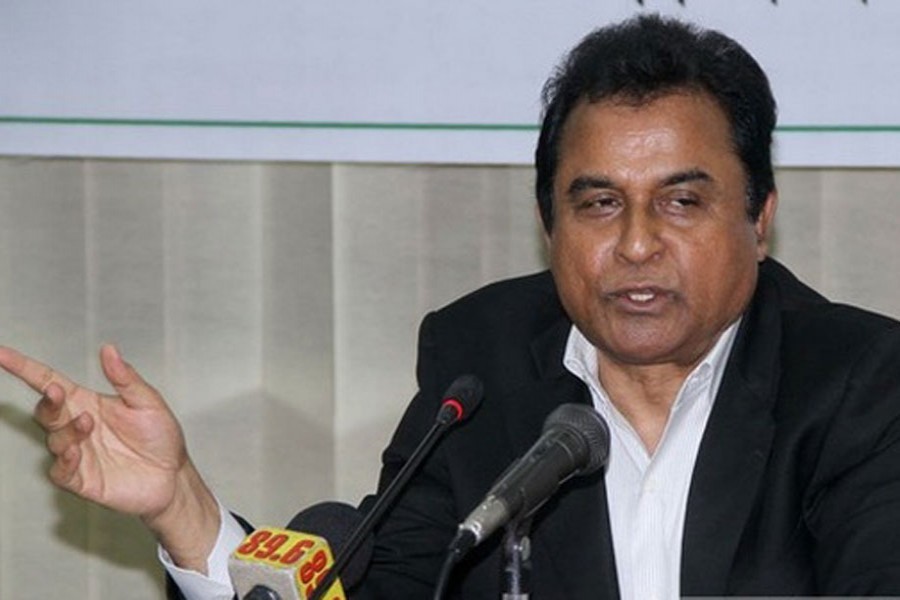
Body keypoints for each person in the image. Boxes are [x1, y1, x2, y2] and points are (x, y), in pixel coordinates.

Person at [2, 13, 900, 599]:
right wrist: (185, 510)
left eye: (681, 201)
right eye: (598, 203)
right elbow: (383, 581)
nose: (635, 244)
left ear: (758, 217)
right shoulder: (485, 363)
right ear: (549, 224)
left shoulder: (861, 383)